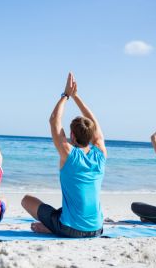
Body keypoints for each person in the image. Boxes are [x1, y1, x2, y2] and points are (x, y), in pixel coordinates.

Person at [21, 72, 107, 238]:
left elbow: (54, 120)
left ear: (72, 136)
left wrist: (66, 95)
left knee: (27, 200)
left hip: (71, 229)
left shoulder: (69, 153)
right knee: (65, 209)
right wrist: (76, 97)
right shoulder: (101, 153)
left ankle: (52, 227)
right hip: (97, 228)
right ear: (91, 135)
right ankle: (52, 225)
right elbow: (94, 123)